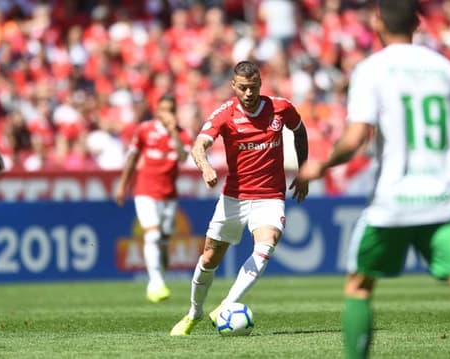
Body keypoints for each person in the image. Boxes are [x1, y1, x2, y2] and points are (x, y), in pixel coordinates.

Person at [297, 1, 450, 358]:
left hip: (392, 203)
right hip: (443, 201)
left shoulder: (372, 69)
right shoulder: (445, 69)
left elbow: (355, 137)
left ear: (378, 23)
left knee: (359, 286)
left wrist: (322, 164)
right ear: (418, 23)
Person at [170, 60, 308, 336]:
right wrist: (206, 167)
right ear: (233, 86)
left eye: (254, 87)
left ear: (260, 84)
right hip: (234, 198)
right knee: (210, 258)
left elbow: (299, 130)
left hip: (270, 196)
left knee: (266, 246)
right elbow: (199, 146)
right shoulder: (225, 114)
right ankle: (194, 313)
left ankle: (227, 305)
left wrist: (303, 171)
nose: (248, 93)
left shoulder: (280, 108)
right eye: (243, 88)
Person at [114, 93, 191, 303]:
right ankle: (155, 282)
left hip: (169, 195)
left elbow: (184, 158)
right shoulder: (145, 130)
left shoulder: (182, 135)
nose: (167, 113)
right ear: (157, 110)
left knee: (164, 241)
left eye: (171, 109)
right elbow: (132, 158)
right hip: (145, 191)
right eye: (164, 109)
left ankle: (159, 278)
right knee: (153, 235)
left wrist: (174, 131)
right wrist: (123, 185)